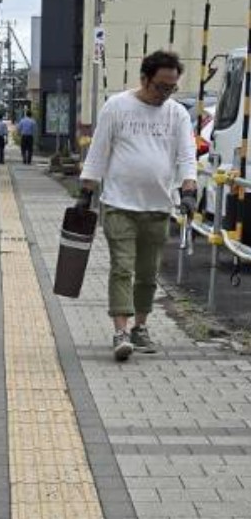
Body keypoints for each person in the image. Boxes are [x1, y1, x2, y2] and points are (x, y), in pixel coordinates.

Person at [78, 50, 196, 361]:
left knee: (147, 273)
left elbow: (187, 157)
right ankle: (120, 331)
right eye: (160, 86)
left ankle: (140, 327)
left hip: (158, 206)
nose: (165, 93)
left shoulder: (177, 114)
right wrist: (86, 191)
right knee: (123, 267)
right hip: (119, 203)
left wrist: (189, 190)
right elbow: (99, 151)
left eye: (171, 88)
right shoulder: (117, 107)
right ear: (144, 78)